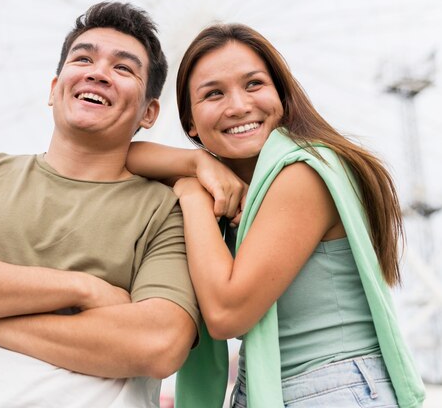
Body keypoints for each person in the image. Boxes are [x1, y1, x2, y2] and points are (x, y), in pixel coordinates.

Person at [0, 2, 199, 408]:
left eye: (123, 69)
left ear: (150, 112)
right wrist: (85, 289)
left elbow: (157, 343)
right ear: (54, 89)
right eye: (83, 58)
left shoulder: (166, 210)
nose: (98, 72)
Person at [127, 23, 425, 407]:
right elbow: (121, 156)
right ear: (190, 122)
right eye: (213, 93)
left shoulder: (305, 173)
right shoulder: (232, 186)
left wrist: (190, 192)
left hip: (331, 389)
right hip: (270, 392)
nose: (238, 106)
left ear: (281, 96)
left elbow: (226, 313)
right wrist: (197, 162)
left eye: (253, 85)